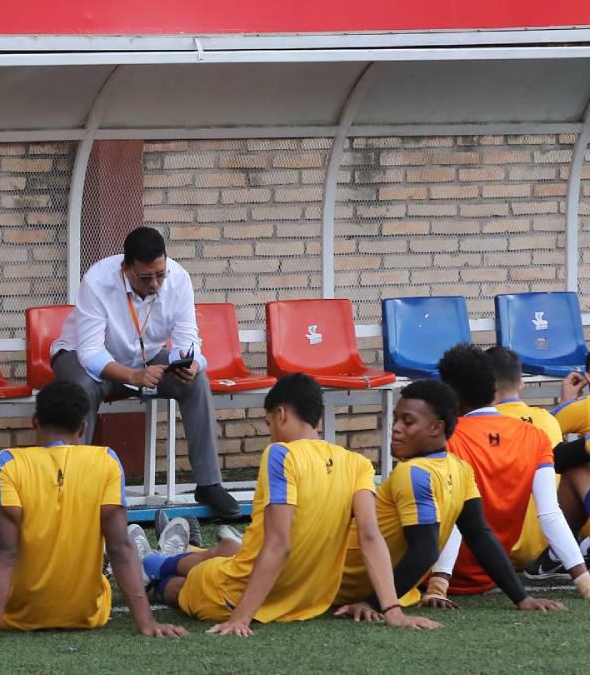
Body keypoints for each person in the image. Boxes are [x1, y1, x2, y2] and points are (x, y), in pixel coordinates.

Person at [137, 374, 440, 634]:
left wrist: (240, 618)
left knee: (178, 586)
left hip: (241, 593)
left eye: (269, 423)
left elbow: (280, 543)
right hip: (309, 600)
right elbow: (370, 537)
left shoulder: (281, 454)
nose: (271, 433)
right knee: (231, 550)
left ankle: (150, 566)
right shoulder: (358, 463)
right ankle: (164, 556)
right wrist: (393, 610)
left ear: (280, 415)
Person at [0, 381, 183, 642]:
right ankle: (143, 564)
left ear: (34, 422)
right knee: (105, 580)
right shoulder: (107, 461)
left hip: (17, 615)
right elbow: (121, 547)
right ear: (83, 429)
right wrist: (147, 623)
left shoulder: (10, 463)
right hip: (88, 615)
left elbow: (5, 550)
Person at [52, 226, 238, 518]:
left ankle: (209, 483)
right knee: (80, 388)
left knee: (197, 381)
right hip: (85, 356)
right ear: (126, 268)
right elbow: (89, 353)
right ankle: (71, 487)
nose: (155, 284)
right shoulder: (98, 280)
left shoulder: (178, 280)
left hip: (146, 359)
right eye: (146, 277)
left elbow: (190, 341)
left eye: (160, 274)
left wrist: (192, 363)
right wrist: (132, 376)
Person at [332, 380, 562, 614]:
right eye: (396, 419)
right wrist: (378, 605)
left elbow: (477, 535)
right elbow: (431, 550)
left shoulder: (444, 469)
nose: (396, 428)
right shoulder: (445, 469)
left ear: (436, 428)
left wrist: (522, 597)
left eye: (408, 421)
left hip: (367, 590)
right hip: (345, 587)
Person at [425, 344, 590, 603]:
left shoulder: (448, 437)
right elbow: (550, 514)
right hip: (490, 573)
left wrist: (438, 582)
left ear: (450, 394)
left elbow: (456, 511)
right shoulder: (535, 435)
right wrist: (584, 581)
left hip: (429, 573)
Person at [487, 345, 566, 567]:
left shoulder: (475, 424)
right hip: (541, 547)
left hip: (491, 550)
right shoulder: (547, 420)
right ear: (521, 382)